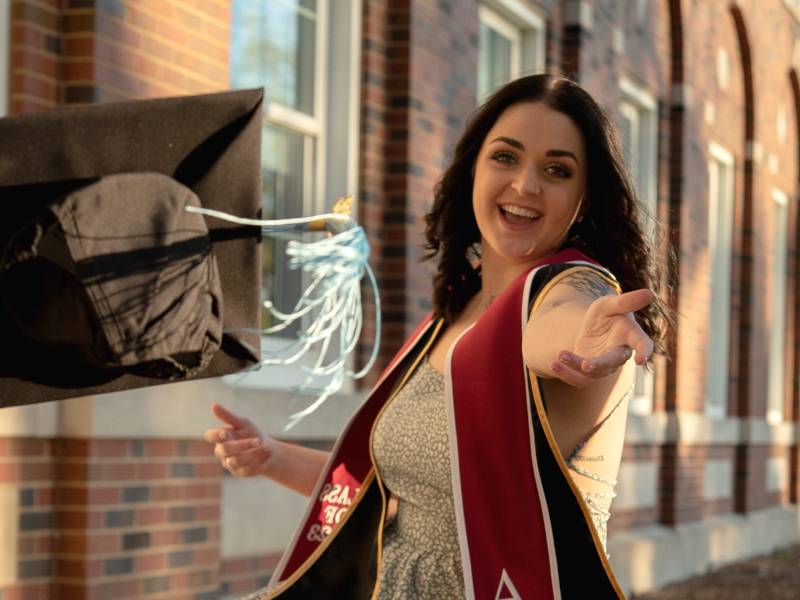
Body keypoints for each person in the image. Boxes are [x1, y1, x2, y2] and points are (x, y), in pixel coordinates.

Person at [204, 74, 668, 599]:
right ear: (473, 168)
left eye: (557, 170)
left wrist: (584, 333)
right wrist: (272, 456)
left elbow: (548, 326)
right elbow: (392, 491)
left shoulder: (573, 291)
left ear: (584, 199)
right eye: (505, 157)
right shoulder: (452, 317)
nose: (526, 185)